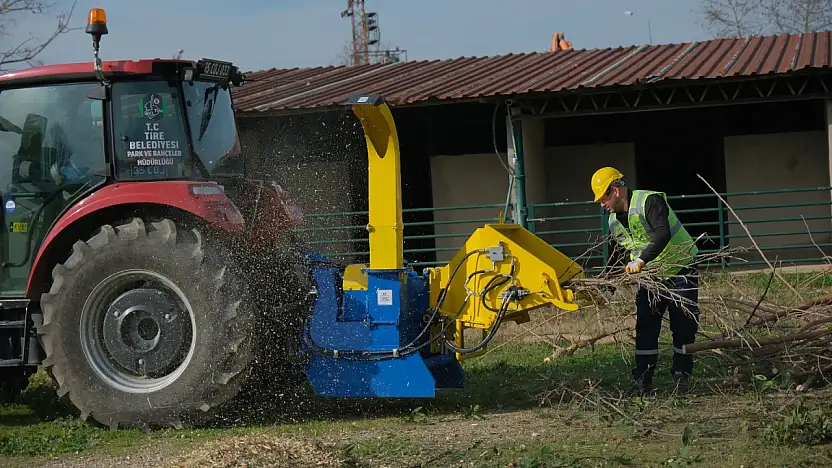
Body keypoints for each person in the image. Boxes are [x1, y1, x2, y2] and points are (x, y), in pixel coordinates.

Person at [590, 167, 701, 395]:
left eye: (604, 197)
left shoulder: (649, 201)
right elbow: (617, 254)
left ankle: (682, 378)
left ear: (617, 190)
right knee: (646, 329)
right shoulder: (613, 220)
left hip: (681, 271)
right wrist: (607, 286)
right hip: (651, 278)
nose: (602, 203)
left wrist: (641, 260)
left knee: (683, 327)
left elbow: (662, 233)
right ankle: (642, 381)